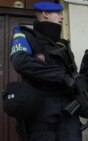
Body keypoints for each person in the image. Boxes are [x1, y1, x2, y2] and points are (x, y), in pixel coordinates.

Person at [10, 2, 82, 141]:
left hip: (68, 109)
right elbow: (20, 62)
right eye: (58, 13)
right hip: (41, 109)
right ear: (45, 14)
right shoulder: (24, 35)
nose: (62, 17)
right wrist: (61, 76)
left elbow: (74, 74)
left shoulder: (63, 45)